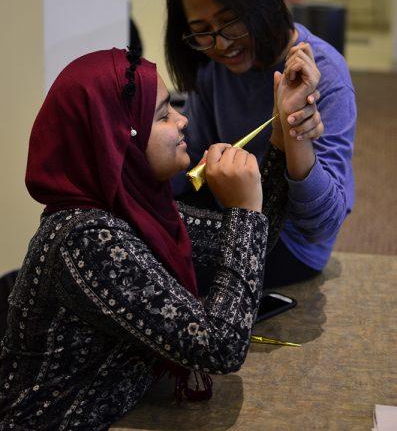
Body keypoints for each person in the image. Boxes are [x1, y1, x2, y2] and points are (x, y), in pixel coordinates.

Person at [0, 46, 300, 430]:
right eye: (162, 115)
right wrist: (244, 210)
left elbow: (258, 236)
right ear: (117, 138)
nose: (184, 120)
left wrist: (279, 136)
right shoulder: (86, 238)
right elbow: (220, 347)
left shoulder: (133, 207)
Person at [165, 0, 357, 287]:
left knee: (173, 272)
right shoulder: (213, 68)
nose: (221, 44)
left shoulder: (326, 74)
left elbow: (320, 226)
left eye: (230, 21)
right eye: (201, 32)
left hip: (291, 242)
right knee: (145, 240)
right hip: (234, 213)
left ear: (260, 3)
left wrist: (295, 134)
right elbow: (192, 166)